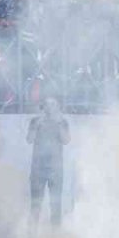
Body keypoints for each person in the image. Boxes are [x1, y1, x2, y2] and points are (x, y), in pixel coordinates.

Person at [27, 97, 69, 231]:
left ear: (57, 107)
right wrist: (37, 125)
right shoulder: (35, 121)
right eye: (47, 105)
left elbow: (66, 140)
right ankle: (31, 235)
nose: (50, 108)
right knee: (35, 204)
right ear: (43, 107)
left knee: (56, 205)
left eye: (53, 105)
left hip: (56, 169)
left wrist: (59, 125)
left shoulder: (62, 122)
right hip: (38, 169)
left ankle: (55, 237)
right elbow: (29, 139)